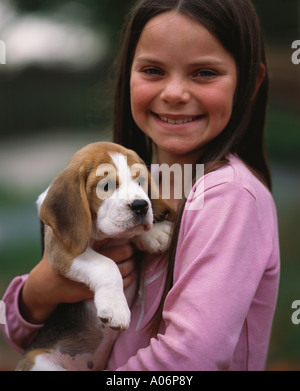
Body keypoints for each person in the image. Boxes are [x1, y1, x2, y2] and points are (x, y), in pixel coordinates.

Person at [2, 0, 280, 371]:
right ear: (126, 74)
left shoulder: (228, 198)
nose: (175, 93)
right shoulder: (129, 184)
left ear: (250, 82)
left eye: (204, 73)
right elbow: (25, 336)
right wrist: (38, 292)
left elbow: (190, 359)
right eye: (152, 70)